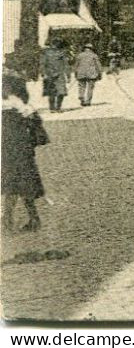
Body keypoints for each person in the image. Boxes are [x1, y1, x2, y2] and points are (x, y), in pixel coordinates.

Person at [2, 74, 47, 232]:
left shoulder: (6, 107)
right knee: (24, 184)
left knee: (11, 184)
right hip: (23, 151)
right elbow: (38, 130)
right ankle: (32, 218)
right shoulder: (24, 108)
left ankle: (9, 219)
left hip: (7, 151)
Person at [40, 39, 70, 113]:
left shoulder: (45, 53)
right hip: (59, 74)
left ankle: (52, 108)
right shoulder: (62, 53)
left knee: (51, 92)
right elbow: (66, 65)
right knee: (61, 92)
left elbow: (42, 64)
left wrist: (43, 73)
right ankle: (58, 107)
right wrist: (68, 75)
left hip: (49, 74)